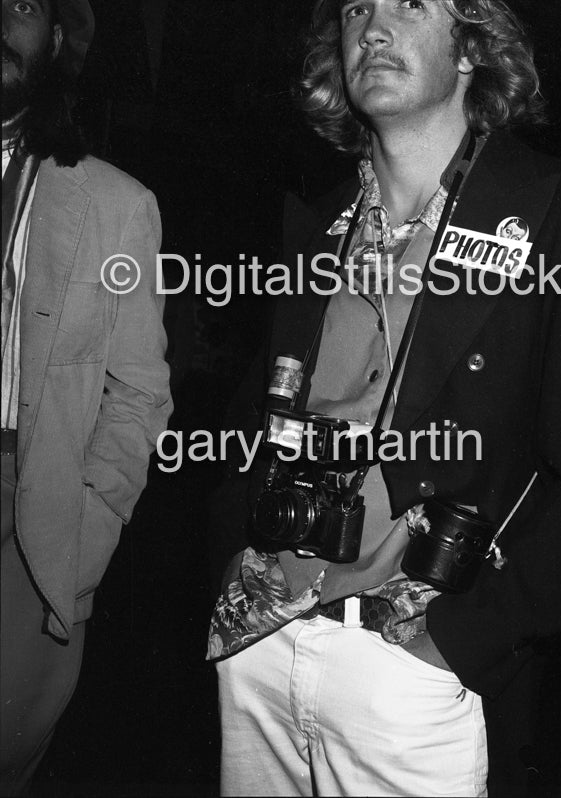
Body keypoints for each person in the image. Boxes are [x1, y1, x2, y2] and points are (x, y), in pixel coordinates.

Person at [207, 1, 561, 795]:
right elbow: (252, 421)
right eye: (356, 9)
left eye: (409, 3)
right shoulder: (318, 229)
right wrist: (231, 559)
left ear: (471, 47)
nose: (373, 28)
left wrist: (454, 642)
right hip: (261, 645)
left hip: (414, 675)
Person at [0, 0, 172, 792]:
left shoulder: (113, 205)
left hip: (30, 526)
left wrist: (80, 539)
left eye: (24, 6)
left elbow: (138, 395)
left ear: (59, 42)